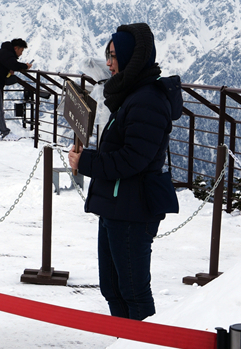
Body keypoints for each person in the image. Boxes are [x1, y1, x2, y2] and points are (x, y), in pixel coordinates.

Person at [67, 23, 182, 321]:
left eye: (114, 55)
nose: (108, 62)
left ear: (132, 57)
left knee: (133, 291)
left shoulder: (147, 100)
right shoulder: (130, 95)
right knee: (113, 288)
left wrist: (86, 162)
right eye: (107, 54)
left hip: (133, 211)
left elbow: (133, 159)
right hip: (116, 206)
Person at [0, 38, 31, 141]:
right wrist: (25, 66)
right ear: (16, 48)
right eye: (21, 51)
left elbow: (7, 65)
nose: (21, 54)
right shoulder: (7, 54)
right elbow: (14, 65)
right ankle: (5, 133)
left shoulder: (4, 52)